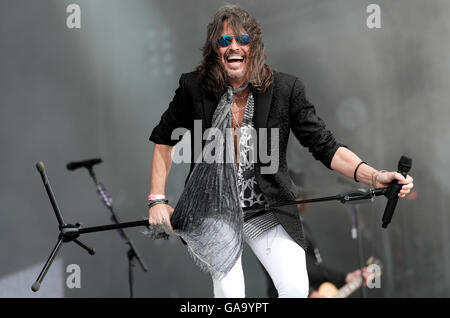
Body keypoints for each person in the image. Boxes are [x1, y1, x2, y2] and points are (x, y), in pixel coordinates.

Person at [147, 5, 414, 298]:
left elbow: (325, 146)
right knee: (230, 291)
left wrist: (374, 176)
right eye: (224, 41)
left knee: (296, 288)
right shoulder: (194, 88)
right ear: (215, 50)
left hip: (266, 206)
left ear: (255, 46)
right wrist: (157, 199)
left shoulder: (285, 89)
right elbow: (164, 140)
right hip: (215, 209)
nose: (233, 47)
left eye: (242, 40)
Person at [261, 171, 371, 298]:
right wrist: (311, 293)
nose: (297, 201)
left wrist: (346, 278)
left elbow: (314, 269)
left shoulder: (303, 225)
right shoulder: (275, 228)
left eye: (298, 197)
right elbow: (278, 270)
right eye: (291, 197)